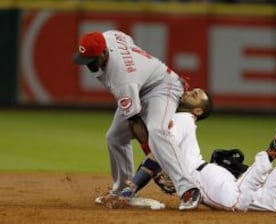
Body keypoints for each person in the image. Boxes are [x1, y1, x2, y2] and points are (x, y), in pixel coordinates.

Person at [109, 87, 276, 211]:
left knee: (236, 203)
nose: (190, 92)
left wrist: (131, 189)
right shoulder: (180, 119)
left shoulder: (181, 119)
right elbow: (159, 152)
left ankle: (272, 152)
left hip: (202, 178)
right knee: (268, 204)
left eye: (195, 95)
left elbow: (156, 154)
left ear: (197, 111)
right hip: (209, 176)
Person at [72, 30, 200, 210]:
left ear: (103, 52)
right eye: (85, 59)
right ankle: (124, 189)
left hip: (163, 87)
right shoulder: (109, 36)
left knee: (157, 130)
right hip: (140, 87)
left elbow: (135, 122)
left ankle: (189, 189)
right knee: (115, 137)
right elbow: (126, 39)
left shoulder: (121, 78)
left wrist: (151, 159)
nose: (88, 65)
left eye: (92, 60)